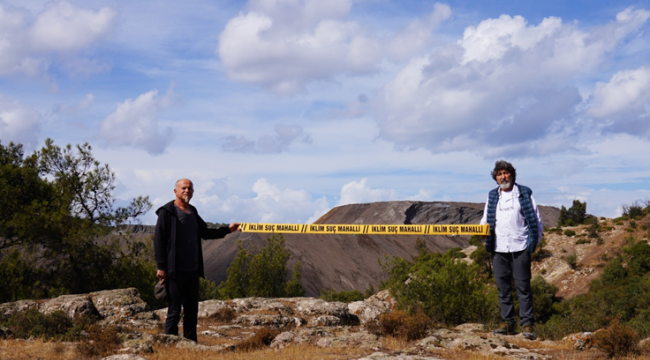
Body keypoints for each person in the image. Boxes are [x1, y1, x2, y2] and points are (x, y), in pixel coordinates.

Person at [154, 178, 240, 342]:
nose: (187, 191)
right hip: (174, 271)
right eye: (184, 188)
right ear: (176, 191)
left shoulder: (192, 211)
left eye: (190, 189)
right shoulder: (167, 212)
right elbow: (159, 240)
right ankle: (170, 344)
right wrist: (161, 266)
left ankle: (191, 344)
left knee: (192, 311)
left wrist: (228, 230)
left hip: (192, 271)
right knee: (174, 310)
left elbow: (206, 233)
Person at [479, 160, 543, 340]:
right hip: (498, 248)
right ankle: (507, 323)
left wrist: (533, 243)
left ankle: (527, 324)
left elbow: (536, 220)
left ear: (512, 175)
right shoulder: (492, 196)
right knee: (503, 288)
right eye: (499, 174)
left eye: (505, 173)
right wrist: (483, 236)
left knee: (523, 286)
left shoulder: (524, 194)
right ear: (496, 178)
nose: (503, 177)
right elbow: (485, 219)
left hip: (520, 246)